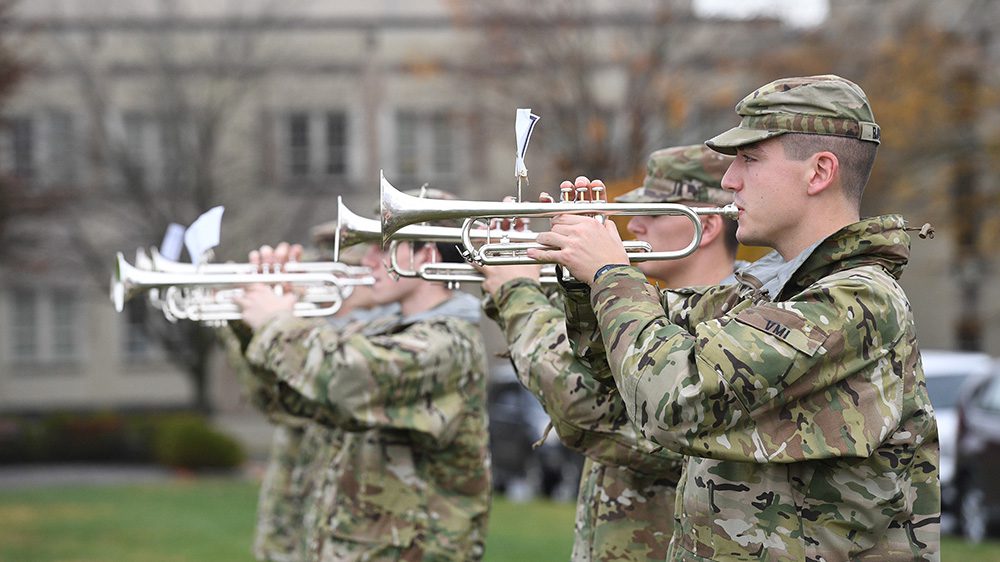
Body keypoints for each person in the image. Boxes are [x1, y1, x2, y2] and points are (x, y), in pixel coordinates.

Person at [528, 75, 940, 560]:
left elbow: (673, 400)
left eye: (750, 159)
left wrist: (611, 273)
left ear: (819, 172)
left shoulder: (857, 302)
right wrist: (583, 276)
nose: (728, 180)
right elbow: (618, 371)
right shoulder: (764, 294)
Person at [479, 144, 739, 561]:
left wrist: (518, 293)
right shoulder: (641, 309)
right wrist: (561, 278)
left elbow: (585, 405)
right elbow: (579, 363)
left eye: (652, 214)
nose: (632, 225)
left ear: (705, 227)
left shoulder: (727, 326)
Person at [231, 190, 493, 561]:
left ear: (428, 256)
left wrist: (277, 322)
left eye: (385, 249)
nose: (368, 260)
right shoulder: (389, 330)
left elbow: (344, 377)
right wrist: (250, 324)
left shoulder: (447, 344)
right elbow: (295, 401)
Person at [220, 243, 398, 562]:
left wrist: (280, 323)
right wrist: (247, 327)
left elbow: (317, 394)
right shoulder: (318, 337)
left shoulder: (377, 341)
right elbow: (273, 401)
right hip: (305, 511)